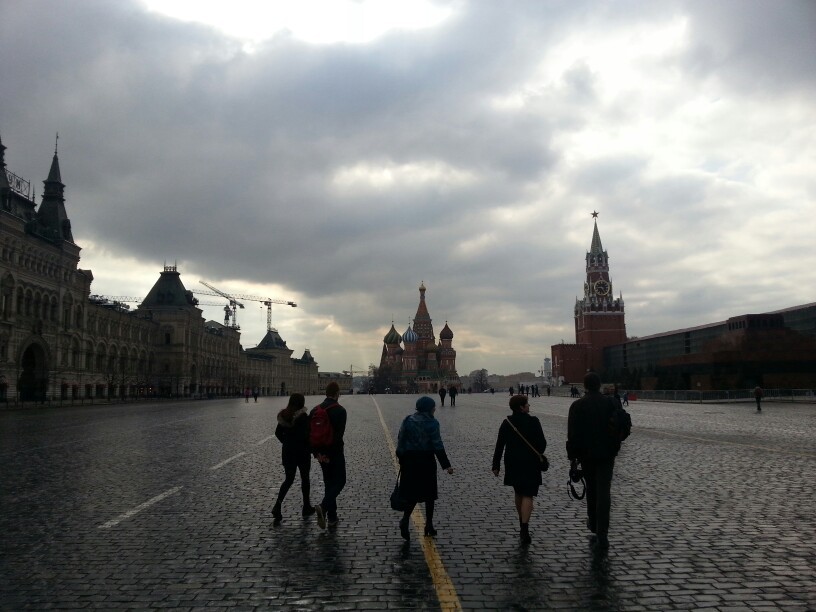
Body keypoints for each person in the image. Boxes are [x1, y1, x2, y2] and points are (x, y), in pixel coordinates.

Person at [566, 372, 625, 551]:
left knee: (592, 489)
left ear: (585, 386)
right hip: (607, 453)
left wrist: (573, 457)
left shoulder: (577, 406)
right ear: (599, 385)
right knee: (604, 491)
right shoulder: (611, 402)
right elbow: (621, 424)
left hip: (586, 454)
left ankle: (593, 523)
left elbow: (573, 434)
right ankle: (603, 532)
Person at [396, 396, 454, 541]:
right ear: (429, 408)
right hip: (426, 461)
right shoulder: (432, 423)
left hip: (409, 460)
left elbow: (400, 439)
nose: (435, 409)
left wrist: (401, 458)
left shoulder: (407, 420)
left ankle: (405, 519)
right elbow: (437, 445)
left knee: (412, 494)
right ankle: (429, 525)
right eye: (433, 407)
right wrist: (446, 465)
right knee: (429, 494)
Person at [492, 395, 547, 545]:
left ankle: (521, 521)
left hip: (513, 462)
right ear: (522, 407)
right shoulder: (534, 421)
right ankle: (525, 527)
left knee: (518, 492)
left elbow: (499, 445)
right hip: (531, 463)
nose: (529, 406)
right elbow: (542, 445)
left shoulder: (507, 423)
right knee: (528, 494)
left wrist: (495, 465)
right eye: (527, 404)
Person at [272, 393, 315, 524]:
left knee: (288, 480)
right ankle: (306, 506)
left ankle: (277, 505)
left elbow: (277, 433)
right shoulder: (303, 417)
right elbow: (307, 436)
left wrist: (286, 443)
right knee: (305, 478)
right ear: (301, 403)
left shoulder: (285, 415)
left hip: (288, 453)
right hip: (302, 453)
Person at [311, 381, 347, 530]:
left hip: (320, 453)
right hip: (335, 452)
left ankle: (332, 517)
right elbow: (338, 436)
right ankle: (324, 507)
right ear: (337, 393)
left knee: (328, 482)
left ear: (326, 393)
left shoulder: (314, 410)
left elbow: (310, 434)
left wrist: (318, 454)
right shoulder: (340, 410)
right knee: (340, 481)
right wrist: (331, 453)